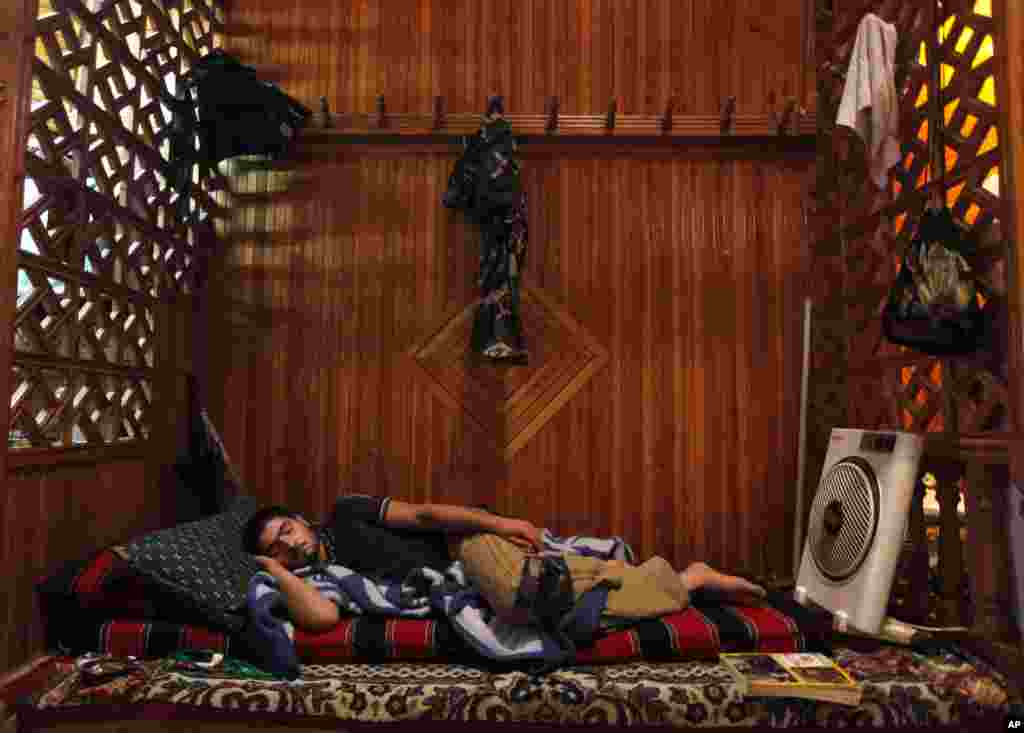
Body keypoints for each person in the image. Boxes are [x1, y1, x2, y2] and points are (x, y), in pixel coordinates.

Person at [241, 495, 767, 633]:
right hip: (465, 587)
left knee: (525, 596)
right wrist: (279, 572)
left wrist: (500, 524)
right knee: (568, 613)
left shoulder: (346, 513)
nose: (290, 545)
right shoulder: (314, 582)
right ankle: (688, 579)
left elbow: (424, 514)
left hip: (467, 549)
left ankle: (681, 578)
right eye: (276, 547)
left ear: (300, 519)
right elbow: (323, 620)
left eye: (287, 530)